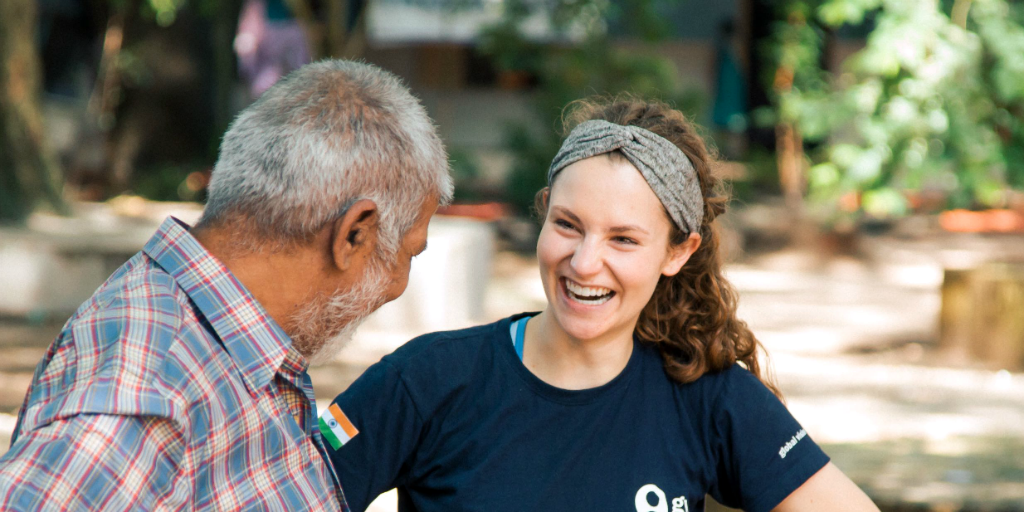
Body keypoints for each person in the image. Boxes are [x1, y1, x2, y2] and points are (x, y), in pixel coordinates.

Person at [326, 96, 880, 512]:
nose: (585, 263)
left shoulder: (708, 396)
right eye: (568, 225)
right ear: (544, 214)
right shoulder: (425, 380)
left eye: (624, 239)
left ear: (677, 252)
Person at [0, 59, 452, 511]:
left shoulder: (234, 349)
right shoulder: (146, 392)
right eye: (409, 253)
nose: (398, 285)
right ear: (354, 233)